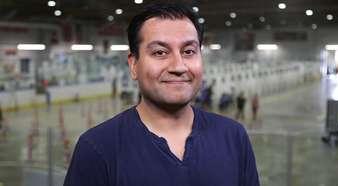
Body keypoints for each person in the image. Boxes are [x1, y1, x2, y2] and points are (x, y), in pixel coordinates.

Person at [64, 3, 259, 186]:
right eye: (160, 52)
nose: (178, 66)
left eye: (189, 51)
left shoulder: (234, 137)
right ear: (133, 65)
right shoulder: (98, 148)